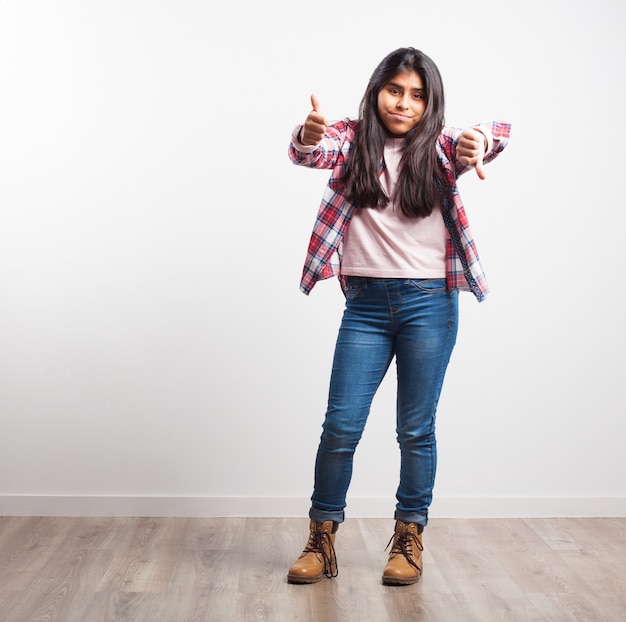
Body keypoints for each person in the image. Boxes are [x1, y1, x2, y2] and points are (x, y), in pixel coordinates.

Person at [286, 47, 511, 586]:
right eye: (395, 90)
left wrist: (480, 139)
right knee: (340, 426)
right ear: (376, 90)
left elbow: (491, 135)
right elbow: (311, 152)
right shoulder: (351, 138)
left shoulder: (441, 146)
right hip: (365, 305)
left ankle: (408, 539)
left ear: (430, 101)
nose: (404, 103)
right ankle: (321, 539)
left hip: (429, 303)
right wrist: (306, 135)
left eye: (417, 94)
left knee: (415, 429)